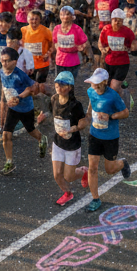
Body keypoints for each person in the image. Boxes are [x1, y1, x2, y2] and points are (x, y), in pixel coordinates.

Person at [83, 68, 132, 212]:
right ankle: (95, 199)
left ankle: (122, 163)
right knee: (92, 168)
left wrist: (110, 117)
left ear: (105, 82)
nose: (95, 86)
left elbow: (125, 113)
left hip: (110, 137)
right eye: (93, 82)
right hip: (94, 135)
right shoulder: (90, 91)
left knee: (109, 170)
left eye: (98, 83)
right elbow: (91, 103)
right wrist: (87, 115)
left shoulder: (113, 96)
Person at [0, 48, 48, 176]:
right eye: (2, 61)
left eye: (7, 61)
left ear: (15, 61)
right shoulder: (1, 71)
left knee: (31, 131)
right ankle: (9, 162)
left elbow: (33, 88)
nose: (4, 63)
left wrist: (19, 97)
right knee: (6, 135)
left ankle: (42, 138)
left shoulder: (20, 75)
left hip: (25, 108)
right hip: (12, 109)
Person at [48, 71, 88, 206]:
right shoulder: (53, 99)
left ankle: (83, 171)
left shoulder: (75, 105)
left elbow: (83, 122)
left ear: (70, 88)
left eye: (63, 85)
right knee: (57, 175)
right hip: (58, 143)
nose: (59, 87)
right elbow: (50, 112)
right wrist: (42, 117)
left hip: (72, 145)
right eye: (57, 84)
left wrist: (73, 128)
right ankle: (68, 193)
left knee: (69, 176)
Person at [98, 9, 137, 112]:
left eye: (119, 20)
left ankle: (110, 108)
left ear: (123, 21)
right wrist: (102, 49)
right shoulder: (106, 29)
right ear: (111, 20)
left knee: (113, 87)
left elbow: (134, 45)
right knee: (111, 87)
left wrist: (131, 47)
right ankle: (124, 98)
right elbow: (100, 43)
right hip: (109, 62)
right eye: (115, 20)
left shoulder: (127, 31)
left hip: (122, 63)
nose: (117, 22)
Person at [52, 6, 91, 79]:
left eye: (67, 14)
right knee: (60, 83)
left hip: (73, 61)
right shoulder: (56, 28)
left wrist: (82, 48)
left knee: (70, 84)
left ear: (72, 16)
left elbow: (85, 42)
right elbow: (54, 43)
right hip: (60, 61)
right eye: (62, 14)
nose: (65, 17)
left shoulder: (77, 29)